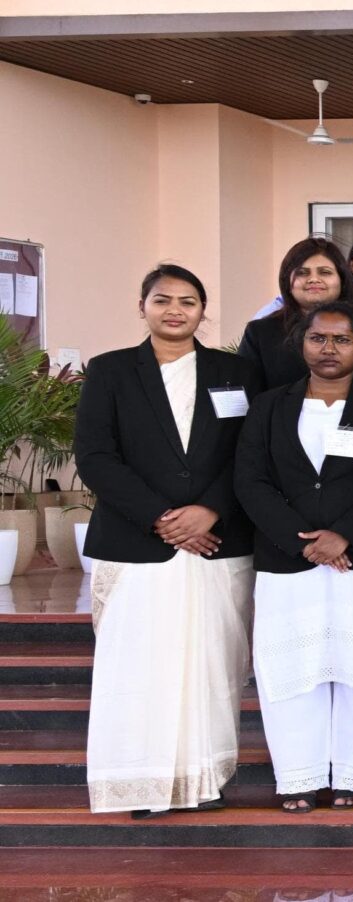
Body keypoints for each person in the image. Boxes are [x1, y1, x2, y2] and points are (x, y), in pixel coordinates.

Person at [77, 265, 259, 818]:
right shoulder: (110, 371)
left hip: (217, 542)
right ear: (142, 307)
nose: (175, 310)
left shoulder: (236, 372)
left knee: (211, 664)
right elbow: (95, 457)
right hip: (136, 543)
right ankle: (142, 782)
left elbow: (250, 453)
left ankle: (205, 779)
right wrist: (161, 518)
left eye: (187, 301)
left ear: (203, 311)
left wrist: (210, 510)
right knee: (139, 665)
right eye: (162, 300)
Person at [236, 300, 353, 813]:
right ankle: (299, 777)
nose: (329, 348)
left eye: (342, 339)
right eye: (318, 338)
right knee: (291, 668)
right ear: (301, 344)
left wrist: (345, 535)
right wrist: (302, 540)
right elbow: (250, 480)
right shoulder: (269, 406)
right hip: (288, 561)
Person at [239, 238, 353, 395]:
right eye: (302, 273)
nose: (314, 279)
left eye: (325, 272)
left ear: (342, 280)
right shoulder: (260, 333)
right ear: (287, 282)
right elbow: (246, 392)